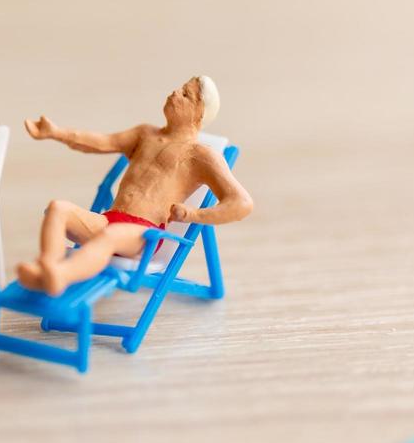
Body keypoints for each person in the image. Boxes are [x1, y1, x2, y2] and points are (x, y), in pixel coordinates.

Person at [17, 76, 252, 297]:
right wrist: (57, 133)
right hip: (110, 219)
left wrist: (194, 214)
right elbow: (102, 142)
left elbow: (241, 203)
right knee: (58, 208)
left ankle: (60, 276)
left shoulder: (200, 155)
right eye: (179, 88)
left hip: (144, 235)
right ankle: (46, 268)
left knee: (110, 236)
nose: (175, 93)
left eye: (186, 94)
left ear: (198, 114)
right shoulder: (145, 134)